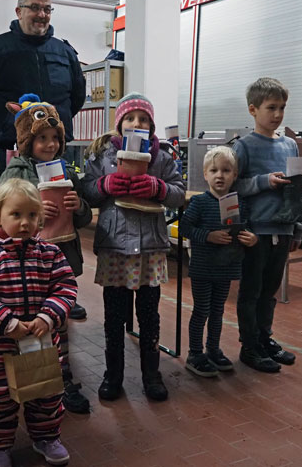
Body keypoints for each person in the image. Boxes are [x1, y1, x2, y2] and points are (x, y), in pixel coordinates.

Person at [0, 178, 76, 467]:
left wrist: (48, 315)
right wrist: (7, 323)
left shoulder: (50, 254)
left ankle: (46, 437)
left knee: (46, 393)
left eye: (31, 215)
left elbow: (65, 287)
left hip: (41, 343)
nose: (25, 223)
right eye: (16, 214)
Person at [82, 92, 185, 402]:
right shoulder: (102, 157)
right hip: (115, 246)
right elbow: (86, 189)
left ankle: (152, 375)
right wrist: (104, 185)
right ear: (119, 124)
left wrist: (159, 188)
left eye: (143, 119)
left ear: (151, 126)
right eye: (130, 118)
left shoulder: (163, 158)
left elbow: (179, 194)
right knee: (114, 316)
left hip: (151, 248)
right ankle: (112, 375)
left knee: (149, 314)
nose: (136, 123)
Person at [0, 93, 92, 414]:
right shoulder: (16, 171)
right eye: (41, 138)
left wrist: (79, 207)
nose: (50, 144)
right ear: (27, 140)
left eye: (55, 138)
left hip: (60, 261)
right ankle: (28, 379)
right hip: (26, 264)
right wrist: (35, 210)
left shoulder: (67, 169)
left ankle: (62, 380)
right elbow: (5, 211)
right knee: (30, 325)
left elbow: (84, 216)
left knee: (57, 323)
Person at [0, 0, 86, 182]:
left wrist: (54, 124)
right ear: (19, 11)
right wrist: (1, 123)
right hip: (11, 150)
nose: (42, 14)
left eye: (47, 9)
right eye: (35, 8)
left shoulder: (65, 53)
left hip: (56, 151)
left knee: (57, 209)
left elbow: (77, 98)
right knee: (15, 210)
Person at [232, 77, 302, 373]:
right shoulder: (244, 146)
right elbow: (230, 185)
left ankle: (265, 339)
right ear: (253, 109)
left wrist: (298, 227)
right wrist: (264, 182)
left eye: (282, 108)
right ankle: (248, 346)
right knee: (251, 291)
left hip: (283, 230)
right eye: (271, 108)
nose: (277, 114)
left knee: (269, 292)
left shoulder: (290, 144)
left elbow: (297, 188)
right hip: (255, 232)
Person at [179, 146, 258, 377]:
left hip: (227, 267)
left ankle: (213, 349)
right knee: (201, 310)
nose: (220, 175)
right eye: (214, 170)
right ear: (205, 174)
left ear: (235, 175)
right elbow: (185, 227)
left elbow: (248, 227)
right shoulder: (199, 203)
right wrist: (208, 236)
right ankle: (195, 353)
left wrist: (251, 238)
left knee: (217, 311)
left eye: (226, 170)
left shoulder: (240, 204)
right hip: (203, 268)